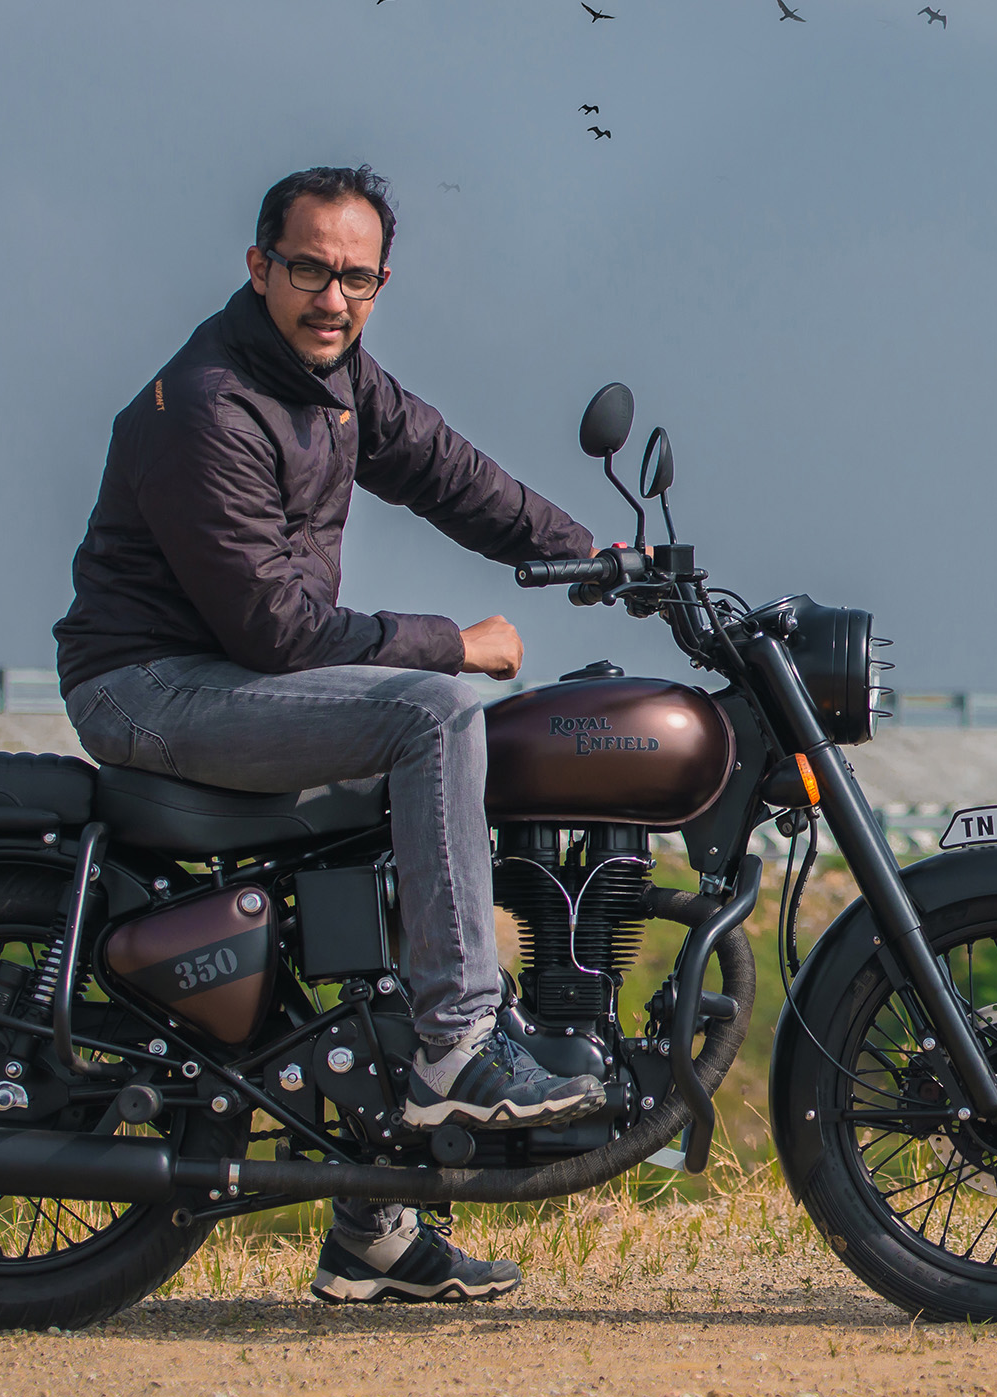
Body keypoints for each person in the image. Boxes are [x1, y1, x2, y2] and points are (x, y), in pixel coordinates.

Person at [52, 164, 606, 1306]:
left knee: (407, 824)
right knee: (433, 712)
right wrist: (453, 643)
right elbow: (277, 629)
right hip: (152, 685)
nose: (333, 296)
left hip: (236, 677)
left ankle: (375, 1228)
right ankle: (458, 1044)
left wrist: (593, 556)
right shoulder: (211, 405)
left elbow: (447, 471)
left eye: (358, 277)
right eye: (309, 268)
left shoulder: (338, 379)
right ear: (260, 266)